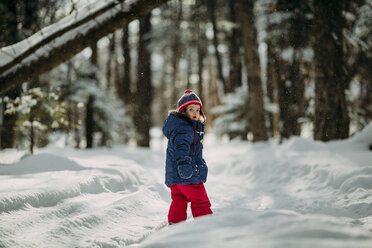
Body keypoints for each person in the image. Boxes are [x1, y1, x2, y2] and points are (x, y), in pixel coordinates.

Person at [162, 89, 213, 224]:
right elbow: (181, 148)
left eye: (197, 110)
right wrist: (184, 165)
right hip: (186, 173)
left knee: (179, 200)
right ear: (183, 111)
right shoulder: (185, 128)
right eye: (191, 109)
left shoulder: (181, 127)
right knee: (200, 200)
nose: (195, 113)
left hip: (175, 175)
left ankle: (175, 225)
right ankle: (206, 225)